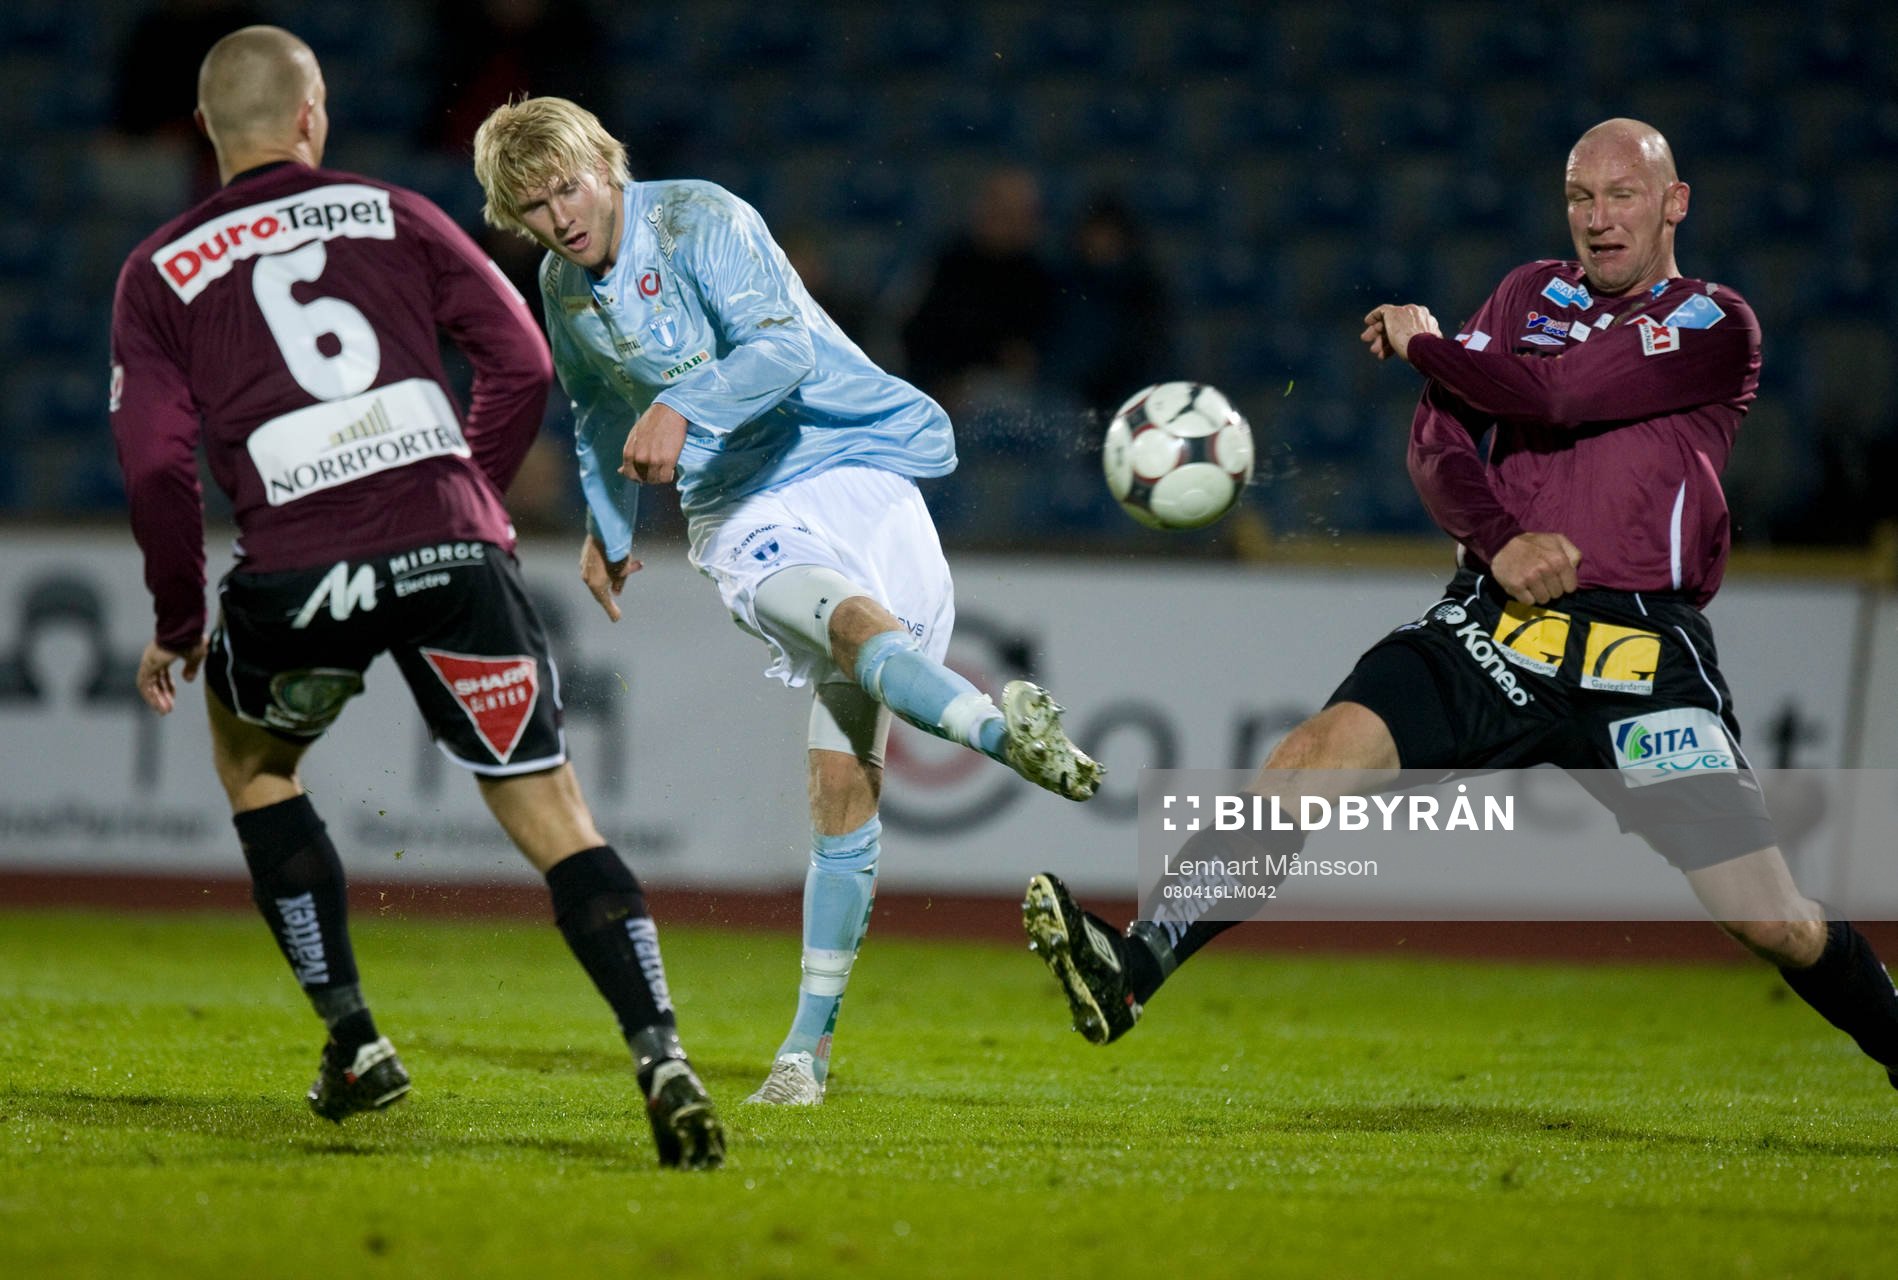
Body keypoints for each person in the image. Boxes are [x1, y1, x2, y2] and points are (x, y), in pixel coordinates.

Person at [1023, 119, 1898, 1091]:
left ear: (1672, 202)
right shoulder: (1528, 293)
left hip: (1639, 653)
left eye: (1621, 196)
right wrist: (1499, 540)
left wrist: (1429, 343)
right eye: (1579, 197)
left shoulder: (1710, 321)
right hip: (1494, 625)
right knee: (1309, 756)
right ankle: (1135, 966)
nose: (1598, 220)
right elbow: (1436, 446)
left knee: (1765, 914)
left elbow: (1559, 398)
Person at [110, 27, 723, 1168]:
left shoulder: (156, 270)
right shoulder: (394, 211)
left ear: (205, 130)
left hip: (296, 572)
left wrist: (180, 620)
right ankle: (661, 1053)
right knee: (555, 818)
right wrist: (466, 507)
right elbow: (523, 363)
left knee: (256, 765)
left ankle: (353, 1038)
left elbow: (153, 463)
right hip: (452, 553)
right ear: (312, 114)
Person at [471, 97, 1104, 1106]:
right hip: (739, 503)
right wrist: (610, 521)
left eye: (568, 188)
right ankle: (804, 1054)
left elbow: (782, 352)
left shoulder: (697, 220)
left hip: (861, 470)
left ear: (605, 164)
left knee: (845, 779)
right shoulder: (562, 284)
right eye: (533, 206)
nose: (559, 217)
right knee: (848, 661)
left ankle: (990, 739)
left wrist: (679, 402)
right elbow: (593, 407)